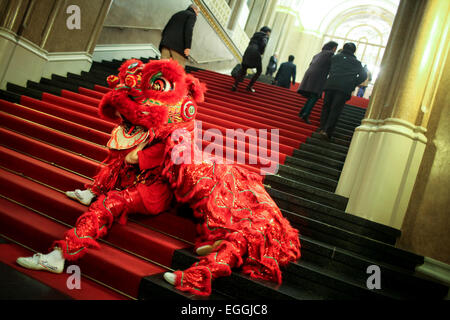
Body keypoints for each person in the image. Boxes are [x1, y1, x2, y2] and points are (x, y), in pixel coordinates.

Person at [319, 42, 367, 140]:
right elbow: (364, 75)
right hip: (344, 89)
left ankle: (322, 128)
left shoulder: (335, 57)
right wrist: (353, 83)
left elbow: (326, 68)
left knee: (326, 107)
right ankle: (327, 131)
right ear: (354, 51)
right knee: (335, 109)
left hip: (331, 85)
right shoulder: (357, 63)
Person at [297, 41, 338, 124]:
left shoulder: (318, 54)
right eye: (335, 48)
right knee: (315, 95)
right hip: (319, 75)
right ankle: (305, 114)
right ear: (333, 48)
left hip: (310, 74)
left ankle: (303, 111)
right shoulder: (330, 54)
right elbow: (332, 67)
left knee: (312, 95)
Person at [231, 26, 271, 93]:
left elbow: (250, 42)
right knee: (259, 71)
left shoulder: (255, 34)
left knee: (243, 69)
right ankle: (249, 86)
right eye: (269, 32)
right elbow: (263, 45)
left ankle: (235, 85)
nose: (269, 34)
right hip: (255, 52)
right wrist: (261, 52)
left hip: (248, 50)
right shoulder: (265, 36)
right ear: (267, 32)